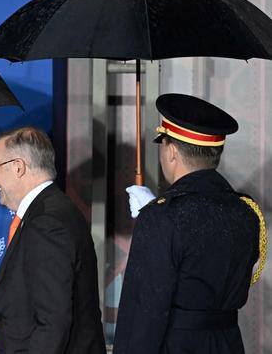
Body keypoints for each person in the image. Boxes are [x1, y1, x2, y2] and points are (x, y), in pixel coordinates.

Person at [114, 93, 266, 354]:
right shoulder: (246, 210)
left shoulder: (162, 217)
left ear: (172, 151)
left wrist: (154, 219)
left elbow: (142, 316)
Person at [0, 126, 105, 354]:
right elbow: (22, 296)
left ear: (18, 167)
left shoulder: (47, 221)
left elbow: (53, 321)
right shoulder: (48, 211)